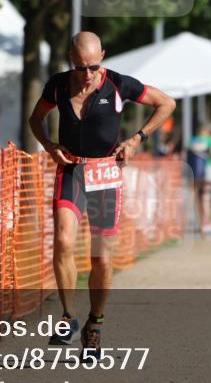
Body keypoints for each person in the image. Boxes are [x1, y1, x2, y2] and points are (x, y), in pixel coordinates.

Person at [27, 32, 176, 358]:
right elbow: (36, 119)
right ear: (71, 61)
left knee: (101, 258)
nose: (87, 74)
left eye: (94, 66)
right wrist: (49, 146)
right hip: (72, 171)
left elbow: (167, 103)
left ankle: (95, 323)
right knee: (64, 240)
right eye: (80, 67)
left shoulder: (119, 85)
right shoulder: (57, 86)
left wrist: (138, 137)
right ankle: (68, 316)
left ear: (103, 57)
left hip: (106, 174)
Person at [186, 122, 211, 234]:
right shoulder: (210, 140)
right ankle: (206, 222)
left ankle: (197, 222)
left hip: (194, 171)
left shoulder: (193, 140)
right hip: (208, 170)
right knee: (207, 195)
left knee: (196, 196)